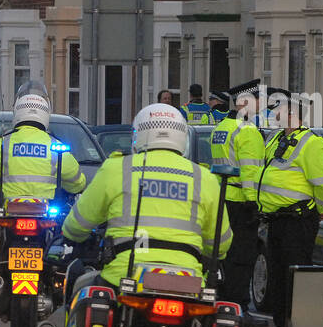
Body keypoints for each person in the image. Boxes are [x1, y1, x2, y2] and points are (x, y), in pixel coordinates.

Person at [61, 102, 230, 292]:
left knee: (85, 295)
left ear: (136, 136)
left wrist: (72, 235)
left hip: (124, 275)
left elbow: (77, 224)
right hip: (187, 280)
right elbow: (220, 244)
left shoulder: (117, 168)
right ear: (183, 138)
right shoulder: (204, 178)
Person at [254, 95, 323, 327]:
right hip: (276, 220)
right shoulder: (276, 138)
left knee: (294, 280)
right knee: (278, 278)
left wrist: (320, 209)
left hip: (298, 221)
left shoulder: (313, 144)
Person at [0, 80, 85, 206]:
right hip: (46, 216)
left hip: (7, 213)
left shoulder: (3, 144)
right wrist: (65, 190)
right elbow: (78, 183)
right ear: (46, 112)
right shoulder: (55, 147)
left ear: (17, 110)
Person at [212, 84, 268, 327]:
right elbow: (250, 172)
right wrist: (255, 204)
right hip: (241, 202)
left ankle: (222, 303)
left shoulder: (222, 127)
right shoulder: (248, 131)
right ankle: (238, 308)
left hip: (222, 199)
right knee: (242, 257)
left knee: (223, 255)